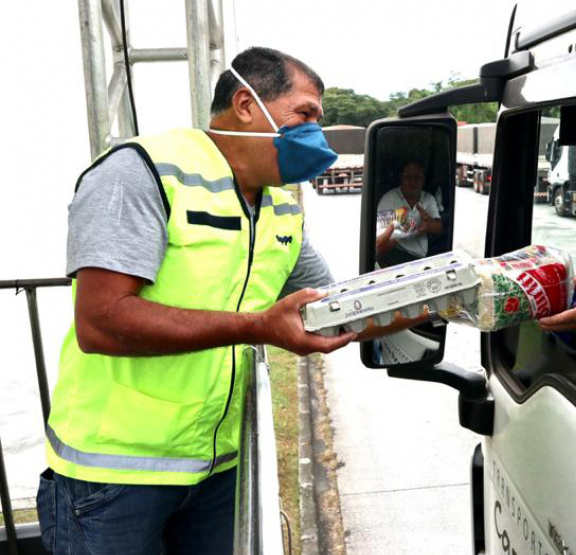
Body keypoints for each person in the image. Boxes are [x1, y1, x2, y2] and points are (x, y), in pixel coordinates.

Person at [36, 47, 355, 555]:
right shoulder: (141, 172)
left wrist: (438, 297)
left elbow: (333, 302)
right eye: (305, 114)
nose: (315, 133)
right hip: (113, 475)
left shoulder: (279, 205)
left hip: (217, 467)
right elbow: (101, 321)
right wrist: (255, 327)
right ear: (247, 104)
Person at [375, 161, 443, 266]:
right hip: (394, 255)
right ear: (400, 178)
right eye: (407, 177)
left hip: (419, 259)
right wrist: (398, 232)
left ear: (423, 180)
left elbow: (439, 228)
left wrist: (428, 224)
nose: (412, 182)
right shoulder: (389, 199)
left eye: (417, 177)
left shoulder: (428, 199)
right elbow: (379, 244)